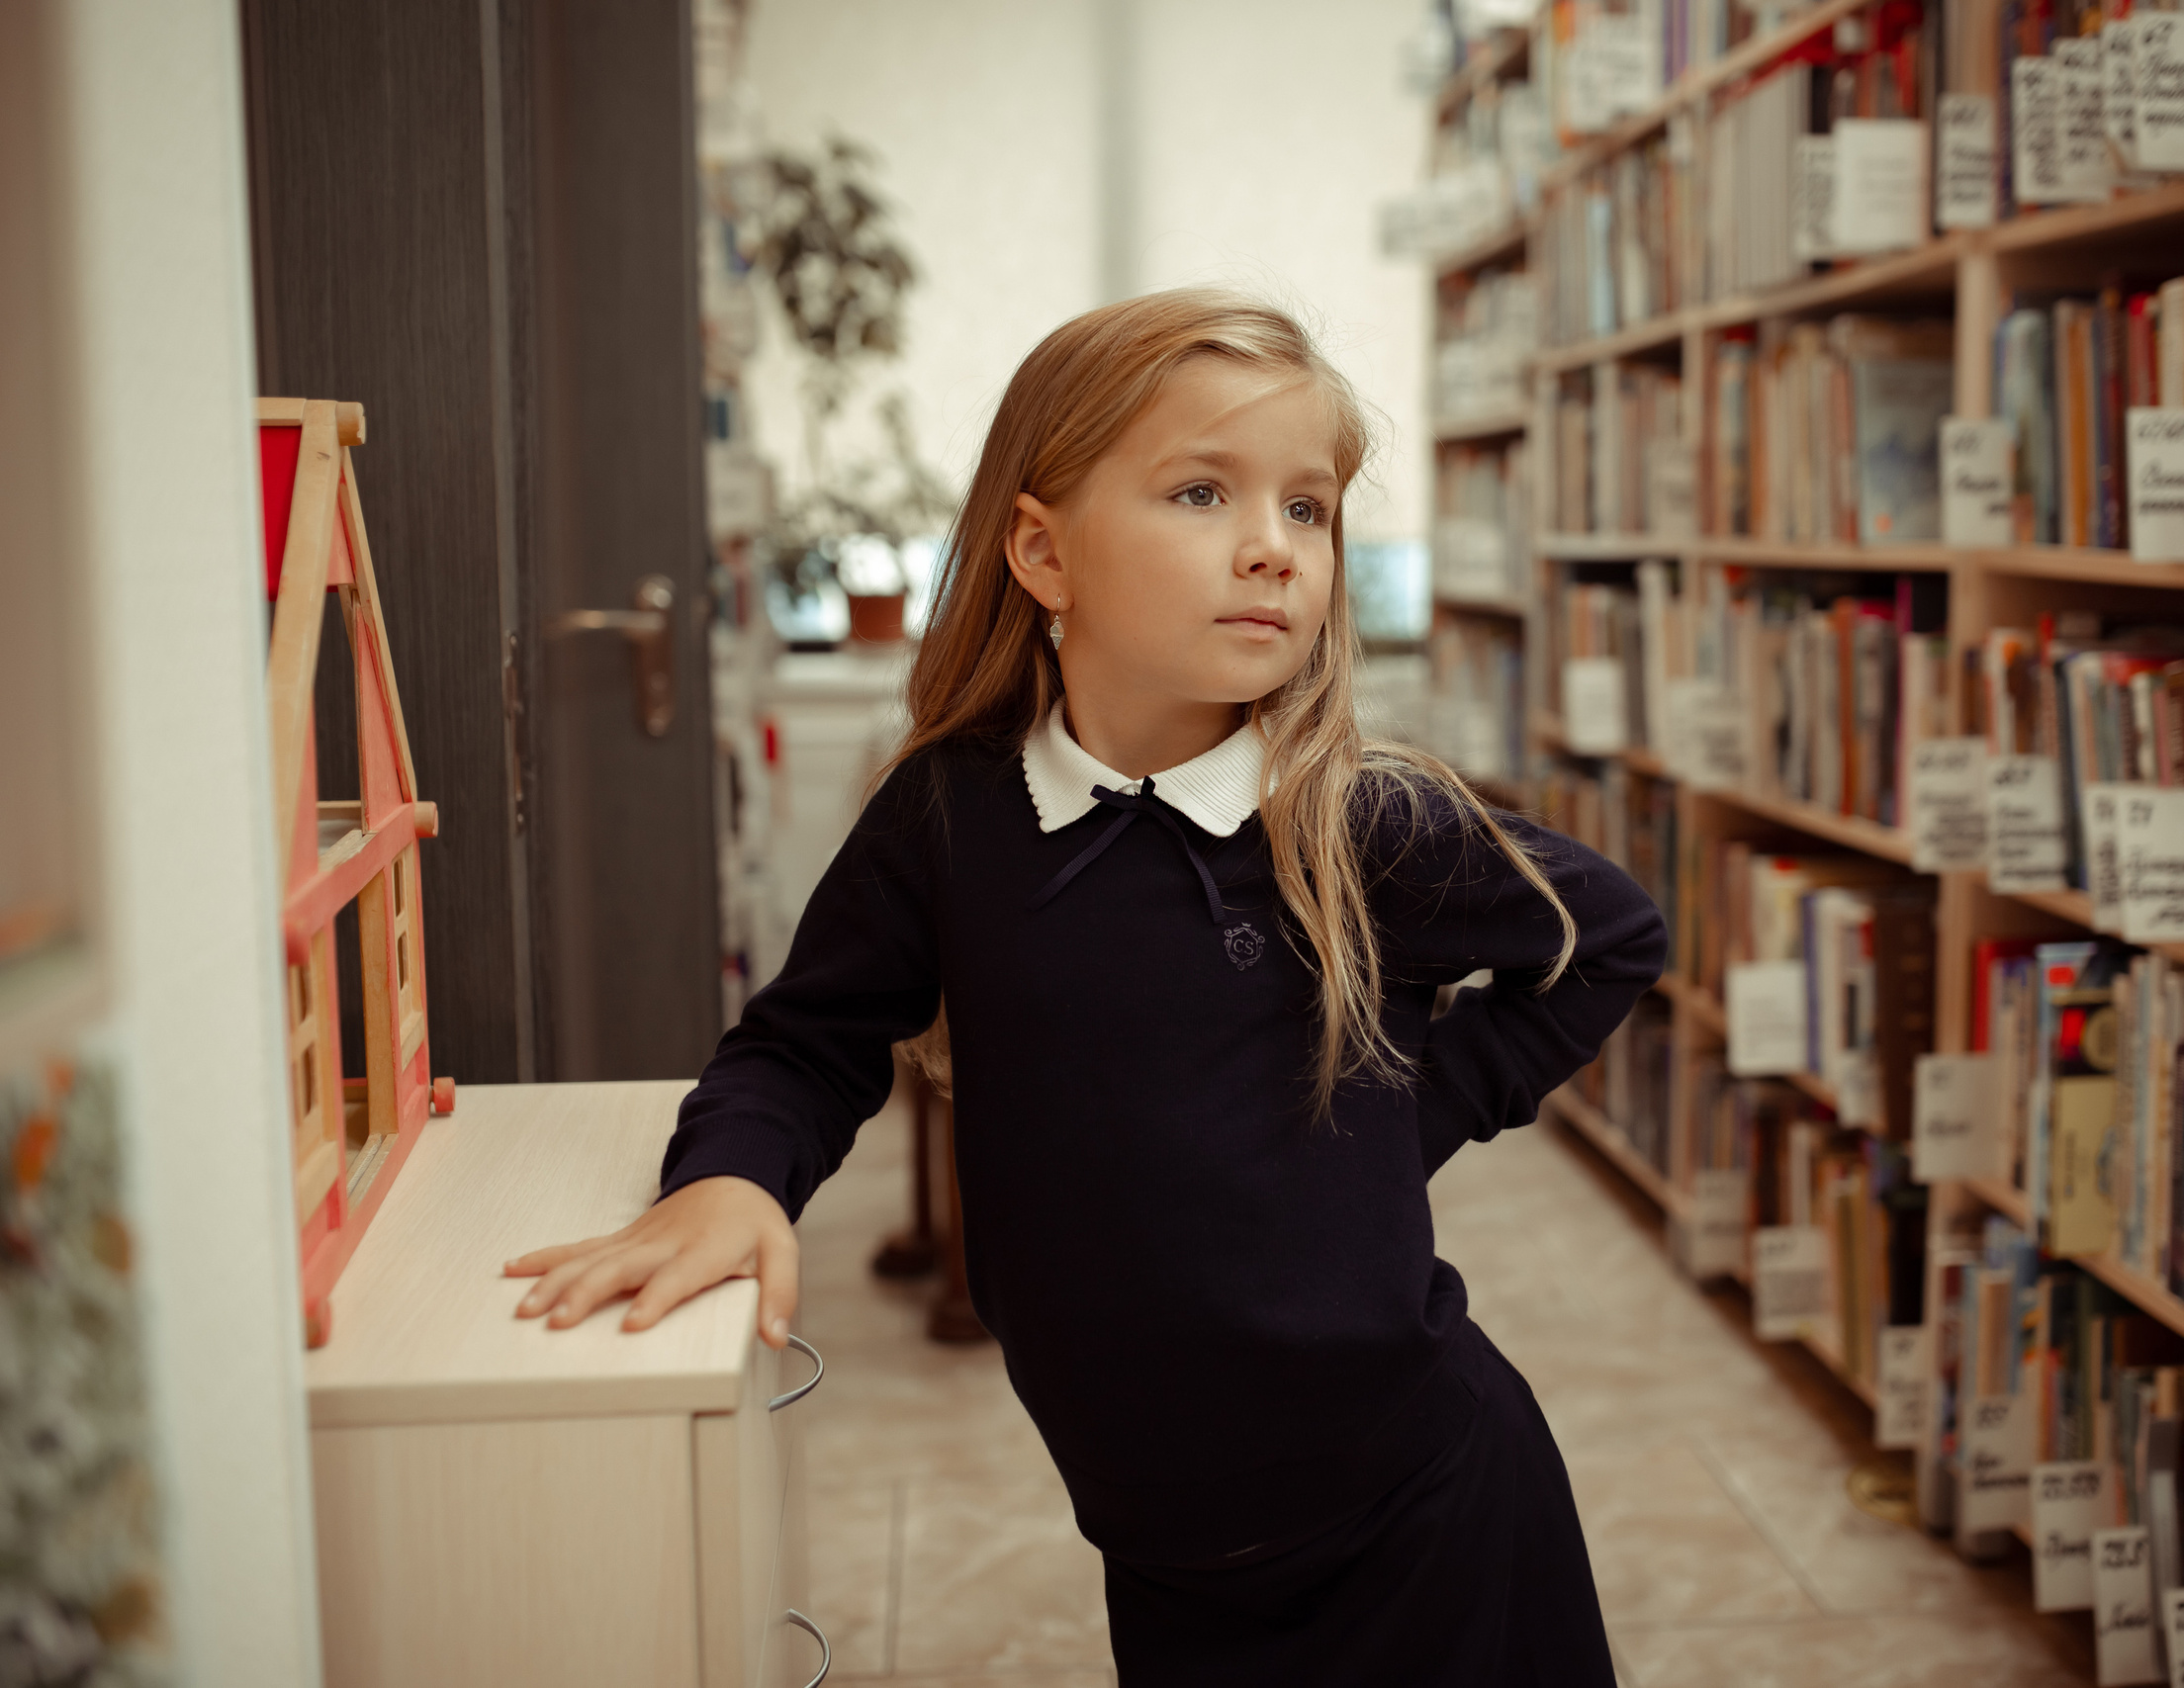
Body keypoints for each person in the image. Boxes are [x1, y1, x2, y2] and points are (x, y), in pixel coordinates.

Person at [504, 288, 1665, 1685]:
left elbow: (1610, 937)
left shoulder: (1361, 819)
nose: (1272, 549)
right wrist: (733, 1180)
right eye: (1201, 491)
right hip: (1159, 1538)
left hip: (1421, 1505)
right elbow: (808, 1044)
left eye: (1309, 509)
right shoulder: (950, 817)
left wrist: (1406, 1113)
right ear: (1045, 553)